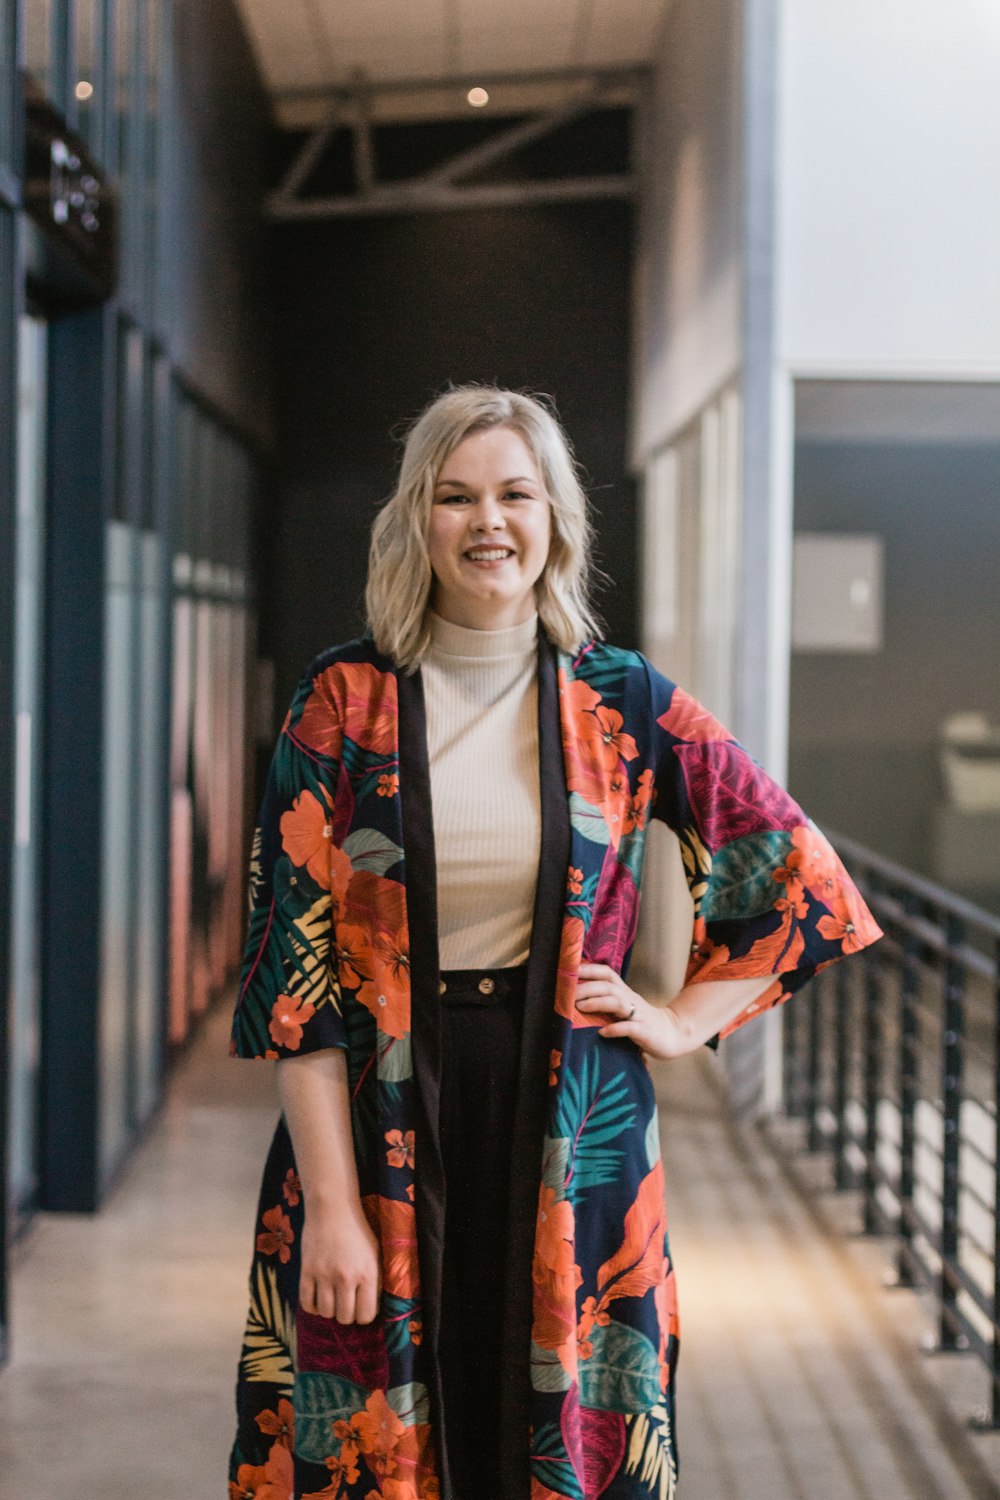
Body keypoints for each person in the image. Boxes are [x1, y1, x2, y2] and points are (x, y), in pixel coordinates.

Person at [227, 386, 882, 1500]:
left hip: (576, 1116)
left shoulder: (622, 700)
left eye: (514, 494)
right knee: (367, 1439)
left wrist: (679, 1022)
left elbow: (801, 881)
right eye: (456, 496)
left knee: (564, 1429)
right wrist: (330, 1209)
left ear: (556, 518)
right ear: (416, 521)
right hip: (378, 1118)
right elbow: (296, 984)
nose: (488, 521)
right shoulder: (341, 702)